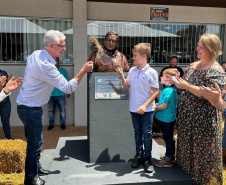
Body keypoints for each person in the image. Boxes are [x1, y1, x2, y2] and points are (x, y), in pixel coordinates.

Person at [16, 30, 93, 185]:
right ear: (51, 46)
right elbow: (68, 88)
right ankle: (30, 178)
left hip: (26, 106)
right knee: (34, 144)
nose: (64, 49)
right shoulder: (46, 66)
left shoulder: (36, 54)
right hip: (30, 108)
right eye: (62, 46)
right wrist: (83, 71)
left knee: (37, 141)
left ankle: (36, 168)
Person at [164, 34, 225, 184]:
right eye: (197, 45)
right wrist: (178, 81)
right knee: (187, 150)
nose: (197, 49)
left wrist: (186, 86)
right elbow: (185, 82)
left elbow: (207, 93)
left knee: (203, 155)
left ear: (211, 49)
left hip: (204, 122)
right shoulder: (192, 65)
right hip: (188, 119)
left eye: (201, 47)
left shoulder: (216, 69)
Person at [116, 43, 159, 173]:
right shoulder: (132, 70)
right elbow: (126, 86)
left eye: (135, 56)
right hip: (134, 108)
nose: (133, 58)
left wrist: (145, 105)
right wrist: (120, 75)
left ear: (144, 56)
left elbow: (156, 91)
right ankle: (139, 155)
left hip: (147, 110)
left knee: (147, 133)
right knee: (137, 132)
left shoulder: (151, 72)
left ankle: (148, 158)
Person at [153, 68, 179, 168]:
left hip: (166, 119)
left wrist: (154, 107)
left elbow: (163, 106)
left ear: (169, 79)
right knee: (169, 138)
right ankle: (170, 155)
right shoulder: (172, 90)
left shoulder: (167, 90)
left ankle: (168, 158)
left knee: (168, 138)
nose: (161, 77)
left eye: (163, 76)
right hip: (169, 119)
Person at [48, 57, 70, 130]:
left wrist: (68, 92)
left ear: (58, 62)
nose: (55, 62)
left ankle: (63, 124)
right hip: (50, 94)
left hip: (61, 94)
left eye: (56, 60)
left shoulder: (63, 71)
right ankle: (51, 124)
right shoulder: (48, 71)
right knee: (51, 110)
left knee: (62, 110)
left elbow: (67, 82)